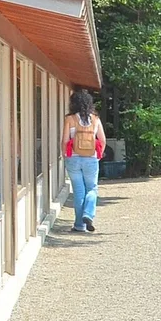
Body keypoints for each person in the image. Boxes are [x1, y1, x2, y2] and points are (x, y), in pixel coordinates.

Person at [63, 90, 106, 232]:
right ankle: (88, 214)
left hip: (73, 159)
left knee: (79, 191)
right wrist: (98, 155)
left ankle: (79, 225)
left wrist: (65, 154)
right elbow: (102, 140)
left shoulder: (70, 119)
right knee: (92, 188)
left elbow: (64, 141)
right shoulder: (95, 119)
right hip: (91, 158)